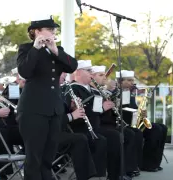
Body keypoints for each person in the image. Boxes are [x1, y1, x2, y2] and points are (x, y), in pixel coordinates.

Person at [16, 14, 77, 180]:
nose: (53, 32)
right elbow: (25, 71)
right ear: (37, 31)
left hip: (54, 109)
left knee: (48, 157)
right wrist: (36, 48)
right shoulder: (26, 49)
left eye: (54, 29)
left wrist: (55, 50)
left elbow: (72, 66)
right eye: (49, 29)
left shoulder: (57, 51)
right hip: (33, 109)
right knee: (34, 157)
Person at [90, 66, 141, 178]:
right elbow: (95, 111)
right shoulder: (94, 90)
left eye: (105, 75)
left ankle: (129, 168)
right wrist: (108, 93)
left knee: (132, 133)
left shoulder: (101, 90)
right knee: (119, 135)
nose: (105, 78)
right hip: (100, 125)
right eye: (101, 75)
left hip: (108, 122)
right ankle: (118, 173)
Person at [118, 70, 168, 172]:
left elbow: (135, 108)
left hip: (135, 121)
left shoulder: (130, 93)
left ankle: (154, 162)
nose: (132, 83)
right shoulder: (118, 93)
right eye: (129, 80)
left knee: (162, 127)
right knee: (155, 129)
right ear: (120, 82)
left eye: (132, 80)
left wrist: (142, 113)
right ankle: (145, 164)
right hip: (126, 124)